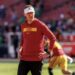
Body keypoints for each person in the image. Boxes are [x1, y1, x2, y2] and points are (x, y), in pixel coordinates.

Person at [17, 5, 56, 75]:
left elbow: (52, 38)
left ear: (34, 13)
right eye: (28, 13)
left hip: (36, 59)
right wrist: (20, 48)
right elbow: (23, 38)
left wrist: (48, 52)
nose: (30, 15)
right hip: (24, 59)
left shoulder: (40, 25)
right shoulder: (23, 25)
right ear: (24, 14)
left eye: (32, 12)